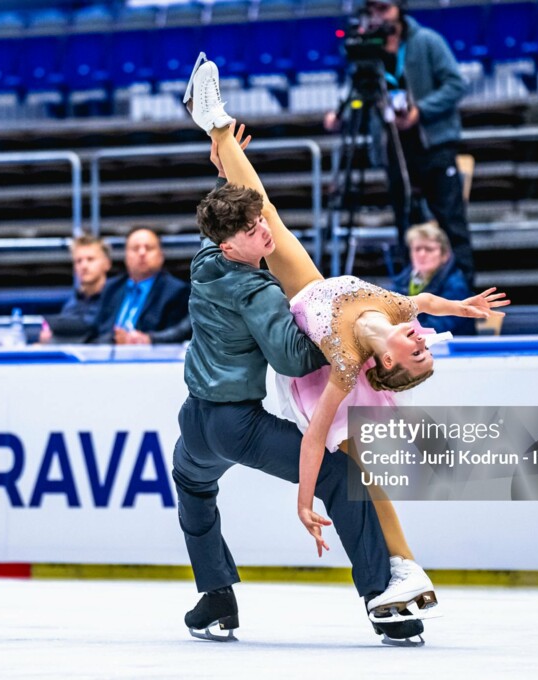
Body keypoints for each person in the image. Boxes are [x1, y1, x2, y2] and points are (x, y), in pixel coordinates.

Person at [176, 60, 426, 646]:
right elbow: (292, 357)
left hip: (195, 421)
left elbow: (239, 219)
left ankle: (215, 598)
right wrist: (341, 341)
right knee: (344, 478)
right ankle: (382, 601)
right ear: (232, 243)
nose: (258, 229)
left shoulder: (206, 263)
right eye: (249, 230)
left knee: (191, 485)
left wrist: (227, 164)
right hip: (236, 423)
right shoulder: (257, 287)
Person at [325, 0, 474, 285]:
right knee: (407, 228)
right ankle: (414, 299)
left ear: (399, 9)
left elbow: (456, 84)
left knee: (452, 224)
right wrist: (341, 115)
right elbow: (359, 91)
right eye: (372, 10)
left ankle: (464, 298)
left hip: (433, 146)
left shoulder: (427, 41)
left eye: (384, 8)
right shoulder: (369, 52)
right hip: (394, 148)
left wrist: (421, 111)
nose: (378, 16)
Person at [90, 228, 191, 345]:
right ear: (126, 256)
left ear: (161, 256)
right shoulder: (111, 288)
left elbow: (177, 337)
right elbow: (95, 333)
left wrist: (145, 340)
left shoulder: (176, 291)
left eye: (148, 248)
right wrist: (114, 340)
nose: (142, 253)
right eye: (135, 248)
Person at [391, 221, 476, 336]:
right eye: (417, 249)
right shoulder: (401, 281)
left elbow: (438, 326)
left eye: (429, 249)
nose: (422, 254)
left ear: (444, 255)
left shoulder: (456, 284)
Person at [39, 235, 112, 344]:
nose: (84, 266)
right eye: (78, 261)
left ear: (107, 264)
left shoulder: (117, 301)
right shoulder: (71, 305)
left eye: (90, 259)